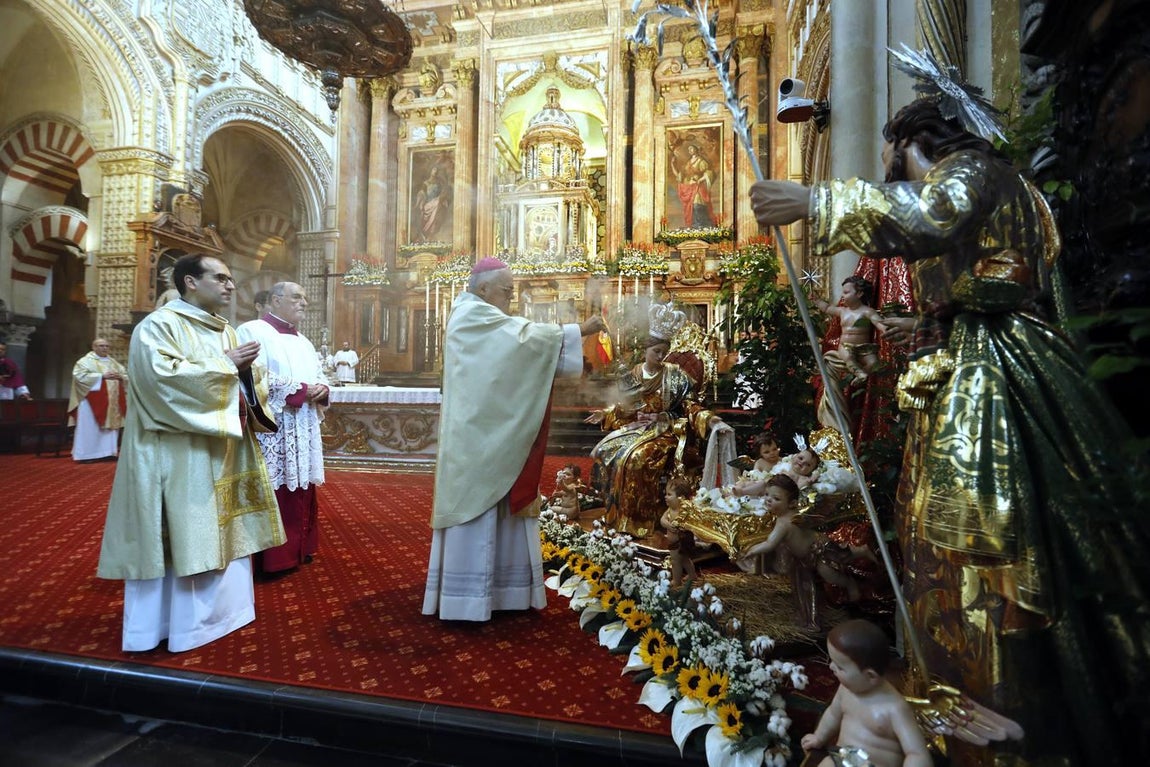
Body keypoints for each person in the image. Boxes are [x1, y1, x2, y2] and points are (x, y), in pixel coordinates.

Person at [750, 57, 1150, 764]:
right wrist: (908, 333)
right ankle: (972, 700)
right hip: (988, 359)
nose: (896, 178)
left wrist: (818, 201)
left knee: (975, 541)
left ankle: (993, 712)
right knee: (967, 543)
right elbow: (979, 284)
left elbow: (932, 218)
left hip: (992, 383)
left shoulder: (967, 170)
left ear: (915, 143)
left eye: (893, 164)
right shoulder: (1006, 188)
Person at [96, 253, 284, 652]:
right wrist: (225, 366)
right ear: (190, 282)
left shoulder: (226, 331)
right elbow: (158, 381)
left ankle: (225, 614)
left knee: (223, 528)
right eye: (220, 277)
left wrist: (248, 375)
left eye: (231, 278)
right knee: (182, 532)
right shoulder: (158, 326)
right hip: (177, 457)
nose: (230, 285)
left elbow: (247, 383)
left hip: (222, 452)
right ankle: (175, 626)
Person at [422, 257, 606, 621]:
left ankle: (504, 592)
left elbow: (515, 351)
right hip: (478, 436)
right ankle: (467, 600)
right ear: (483, 287)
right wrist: (578, 330)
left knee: (500, 505)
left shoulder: (482, 316)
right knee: (478, 509)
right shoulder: (471, 316)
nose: (511, 296)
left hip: (491, 430)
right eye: (507, 290)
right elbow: (521, 342)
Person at [586, 303, 730, 535]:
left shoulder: (675, 375)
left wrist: (709, 419)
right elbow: (623, 405)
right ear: (646, 349)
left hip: (664, 431)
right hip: (635, 428)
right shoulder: (633, 373)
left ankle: (640, 520)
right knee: (607, 453)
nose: (661, 357)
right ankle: (616, 514)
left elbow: (690, 404)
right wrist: (606, 413)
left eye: (664, 352)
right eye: (656, 352)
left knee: (636, 459)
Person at [238, 282, 328, 574]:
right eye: (296, 297)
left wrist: (321, 388)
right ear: (275, 300)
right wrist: (302, 390)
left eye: (305, 298)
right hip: (273, 425)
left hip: (302, 423)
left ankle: (301, 547)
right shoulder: (252, 330)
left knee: (302, 483)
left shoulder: (304, 340)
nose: (304, 303)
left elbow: (318, 373)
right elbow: (255, 376)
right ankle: (274, 558)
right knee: (275, 482)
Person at [801, 619, 932, 767]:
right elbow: (833, 714)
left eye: (840, 667)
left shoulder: (894, 708)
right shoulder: (846, 689)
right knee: (826, 764)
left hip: (874, 764)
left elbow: (916, 753)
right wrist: (819, 737)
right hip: (842, 757)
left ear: (870, 676)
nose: (831, 667)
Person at [736, 475, 871, 611]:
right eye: (766, 495)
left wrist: (751, 550)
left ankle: (851, 584)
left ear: (792, 503)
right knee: (841, 556)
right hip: (812, 550)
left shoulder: (784, 523)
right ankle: (861, 551)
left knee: (831, 574)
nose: (768, 500)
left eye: (776, 498)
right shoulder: (788, 514)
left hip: (819, 550)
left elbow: (770, 543)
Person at [814, 276, 888, 383]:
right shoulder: (842, 311)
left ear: (859, 294)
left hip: (863, 348)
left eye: (846, 292)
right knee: (848, 357)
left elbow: (878, 322)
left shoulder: (867, 312)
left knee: (873, 362)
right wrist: (817, 301)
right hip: (845, 346)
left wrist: (886, 329)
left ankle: (862, 375)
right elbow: (827, 308)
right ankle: (859, 374)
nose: (843, 296)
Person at [68, 338, 128, 462]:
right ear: (94, 347)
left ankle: (108, 452)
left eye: (107, 346)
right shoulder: (84, 362)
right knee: (90, 427)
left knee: (110, 430)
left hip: (112, 402)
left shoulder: (114, 362)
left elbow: (126, 375)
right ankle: (87, 455)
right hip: (91, 402)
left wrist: (121, 377)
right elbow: (79, 377)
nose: (104, 348)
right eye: (101, 345)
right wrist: (101, 376)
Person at [659, 476, 697, 588]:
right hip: (673, 543)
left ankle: (677, 581)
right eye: (666, 494)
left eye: (669, 494)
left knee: (676, 562)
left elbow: (689, 525)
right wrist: (667, 524)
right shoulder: (670, 509)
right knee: (684, 560)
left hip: (680, 543)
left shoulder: (683, 511)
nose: (665, 497)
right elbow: (662, 519)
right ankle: (692, 575)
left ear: (681, 498)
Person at [672, 143, 715, 228]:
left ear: (696, 149)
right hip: (689, 187)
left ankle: (701, 225)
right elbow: (679, 176)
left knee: (697, 205)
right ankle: (694, 225)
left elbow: (709, 173)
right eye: (689, 149)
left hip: (698, 187)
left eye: (691, 148)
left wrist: (700, 180)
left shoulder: (701, 161)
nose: (690, 150)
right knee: (690, 207)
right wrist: (672, 164)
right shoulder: (688, 163)